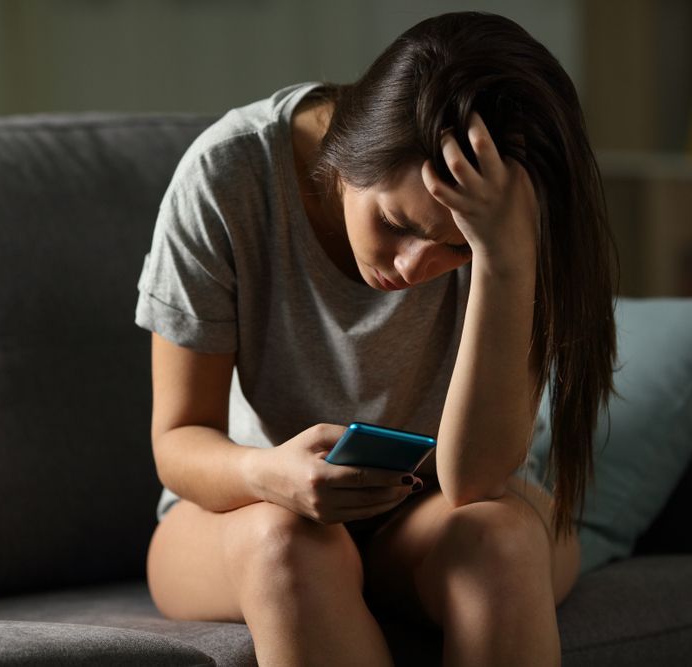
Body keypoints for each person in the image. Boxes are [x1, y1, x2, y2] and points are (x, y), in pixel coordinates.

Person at [137, 10, 617, 666]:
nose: (413, 267)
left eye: (454, 249)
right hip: (246, 507)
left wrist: (503, 258)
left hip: (433, 512)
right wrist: (271, 474)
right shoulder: (231, 177)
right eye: (394, 221)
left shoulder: (511, 211)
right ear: (351, 149)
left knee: (503, 543)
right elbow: (178, 442)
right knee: (289, 546)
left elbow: (476, 479)